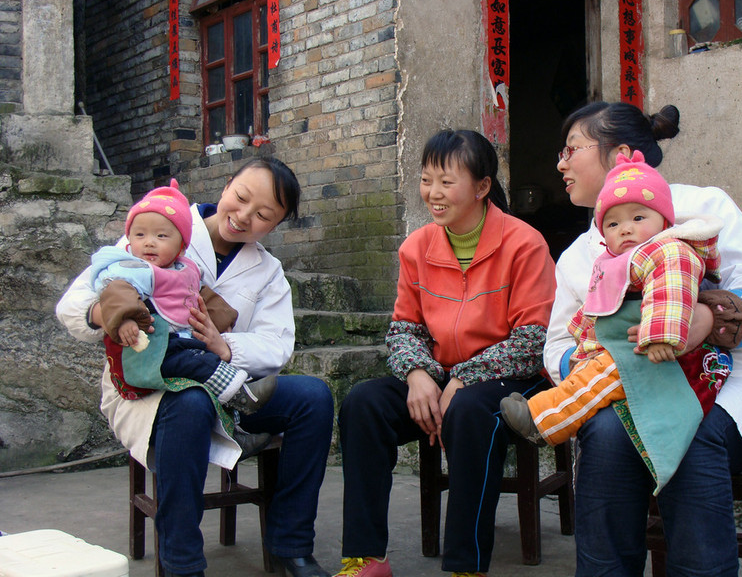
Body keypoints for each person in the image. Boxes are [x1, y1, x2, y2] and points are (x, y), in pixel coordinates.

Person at [57, 157, 334, 577]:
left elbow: (278, 346)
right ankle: (183, 565)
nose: (243, 217)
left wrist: (224, 345)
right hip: (152, 388)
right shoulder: (159, 225)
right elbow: (72, 305)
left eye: (262, 215)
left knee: (313, 398)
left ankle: (292, 547)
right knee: (189, 404)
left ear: (274, 225)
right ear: (226, 187)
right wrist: (115, 314)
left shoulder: (268, 271)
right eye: (240, 199)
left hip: (231, 383)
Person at [543, 101, 742, 576]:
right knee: (607, 436)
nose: (561, 164)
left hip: (728, 386)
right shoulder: (576, 256)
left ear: (621, 154)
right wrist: (604, 366)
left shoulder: (704, 209)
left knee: (688, 434)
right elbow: (556, 346)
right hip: (625, 396)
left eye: (572, 149)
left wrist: (708, 320)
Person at [334, 129, 557, 577]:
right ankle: (366, 558)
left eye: (446, 182)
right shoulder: (417, 247)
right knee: (363, 403)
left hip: (512, 375)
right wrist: (418, 374)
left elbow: (533, 341)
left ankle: (465, 566)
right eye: (426, 179)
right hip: (440, 370)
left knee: (471, 412)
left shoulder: (524, 243)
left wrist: (462, 378)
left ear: (482, 186)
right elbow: (403, 329)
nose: (433, 194)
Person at [501, 150, 729, 450]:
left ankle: (544, 421)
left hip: (666, 354)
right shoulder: (615, 261)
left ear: (664, 221)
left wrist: (662, 336)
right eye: (612, 224)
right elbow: (596, 305)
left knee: (601, 377)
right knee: (593, 375)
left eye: (638, 217)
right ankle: (547, 413)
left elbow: (673, 289)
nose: (626, 228)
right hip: (635, 349)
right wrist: (584, 339)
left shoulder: (670, 250)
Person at [89, 178, 276, 413]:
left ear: (181, 246)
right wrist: (125, 319)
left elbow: (200, 297)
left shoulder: (184, 269)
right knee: (198, 362)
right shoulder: (132, 268)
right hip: (153, 348)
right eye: (139, 235)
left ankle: (235, 425)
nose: (149, 243)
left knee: (203, 359)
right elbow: (117, 293)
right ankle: (239, 393)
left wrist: (223, 320)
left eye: (161, 236)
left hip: (180, 341)